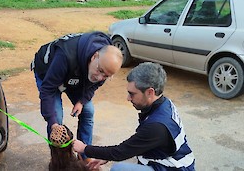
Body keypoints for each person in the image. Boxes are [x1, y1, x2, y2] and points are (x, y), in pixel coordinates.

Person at [73, 62, 195, 171]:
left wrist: (85, 148)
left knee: (119, 169)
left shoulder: (157, 126)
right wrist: (105, 157)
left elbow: (121, 152)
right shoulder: (164, 104)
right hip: (176, 160)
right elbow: (136, 145)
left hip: (175, 167)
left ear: (150, 92)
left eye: (132, 94)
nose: (128, 98)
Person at [31, 32, 123, 160]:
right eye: (100, 71)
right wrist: (53, 124)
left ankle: (85, 155)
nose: (100, 77)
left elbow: (95, 85)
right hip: (48, 73)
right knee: (56, 118)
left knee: (88, 110)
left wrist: (81, 101)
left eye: (106, 76)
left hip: (75, 76)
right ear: (94, 56)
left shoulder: (105, 65)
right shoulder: (66, 55)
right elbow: (47, 90)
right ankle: (60, 161)